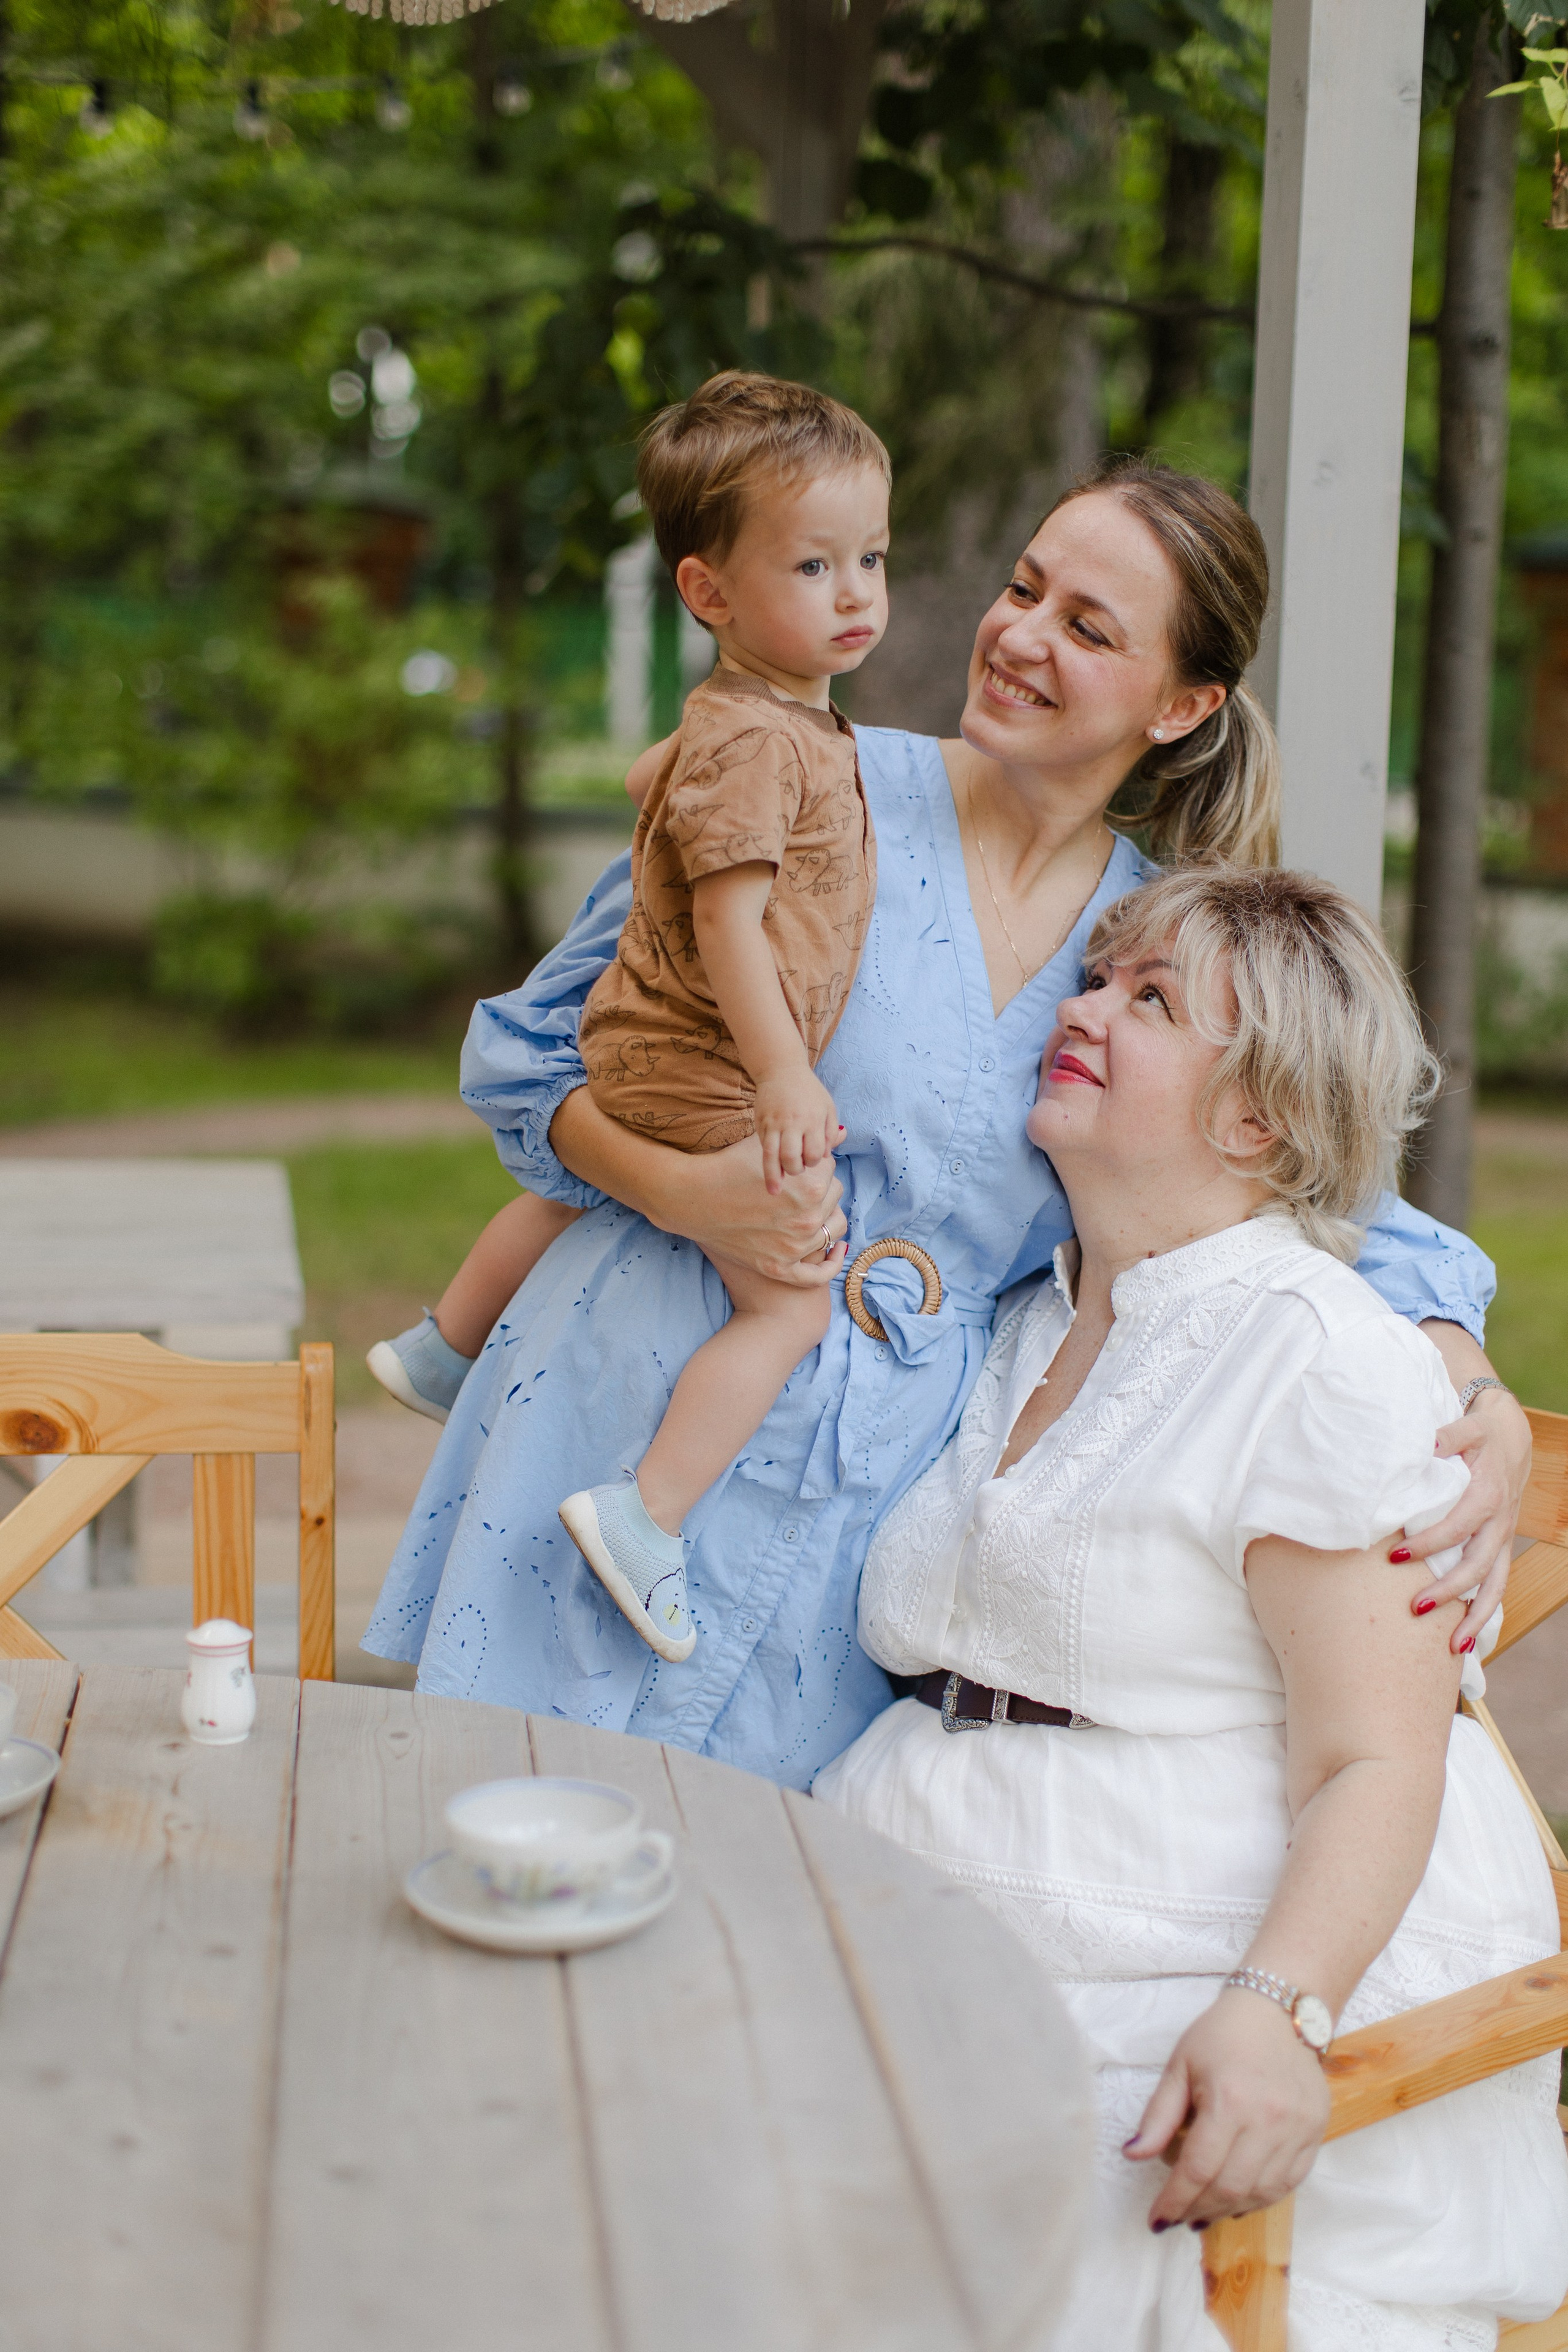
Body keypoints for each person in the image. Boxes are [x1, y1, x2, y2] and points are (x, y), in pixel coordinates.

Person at [362, 455, 1529, 1790]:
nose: (1021, 636)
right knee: (493, 1858)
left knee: (747, 1940)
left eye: (1089, 628)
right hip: (618, 1423)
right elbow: (529, 1060)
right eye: (1023, 588)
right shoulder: (800, 781)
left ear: (1182, 701)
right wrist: (683, 1195)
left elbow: (1319, 1192)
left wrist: (1472, 1391)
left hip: (859, 1522)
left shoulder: (1151, 954)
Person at [814, 863, 1568, 2347]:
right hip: (923, 1902)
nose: (1084, 1008)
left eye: (1148, 1001)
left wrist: (1276, 2012)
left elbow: (1377, 1757)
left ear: (1256, 1117)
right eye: (1098, 978)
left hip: (1169, 1953)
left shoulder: (1318, 1358)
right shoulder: (1029, 1315)